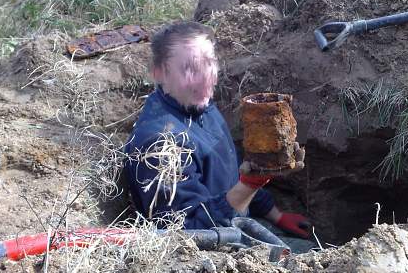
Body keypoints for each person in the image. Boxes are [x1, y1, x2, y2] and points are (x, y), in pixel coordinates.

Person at [123, 21, 310, 239]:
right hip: (213, 255)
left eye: (209, 63)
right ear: (158, 73)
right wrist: (252, 182)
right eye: (190, 68)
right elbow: (188, 232)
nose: (206, 77)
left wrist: (275, 215)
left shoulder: (198, 106)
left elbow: (228, 173)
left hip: (239, 223)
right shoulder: (159, 144)